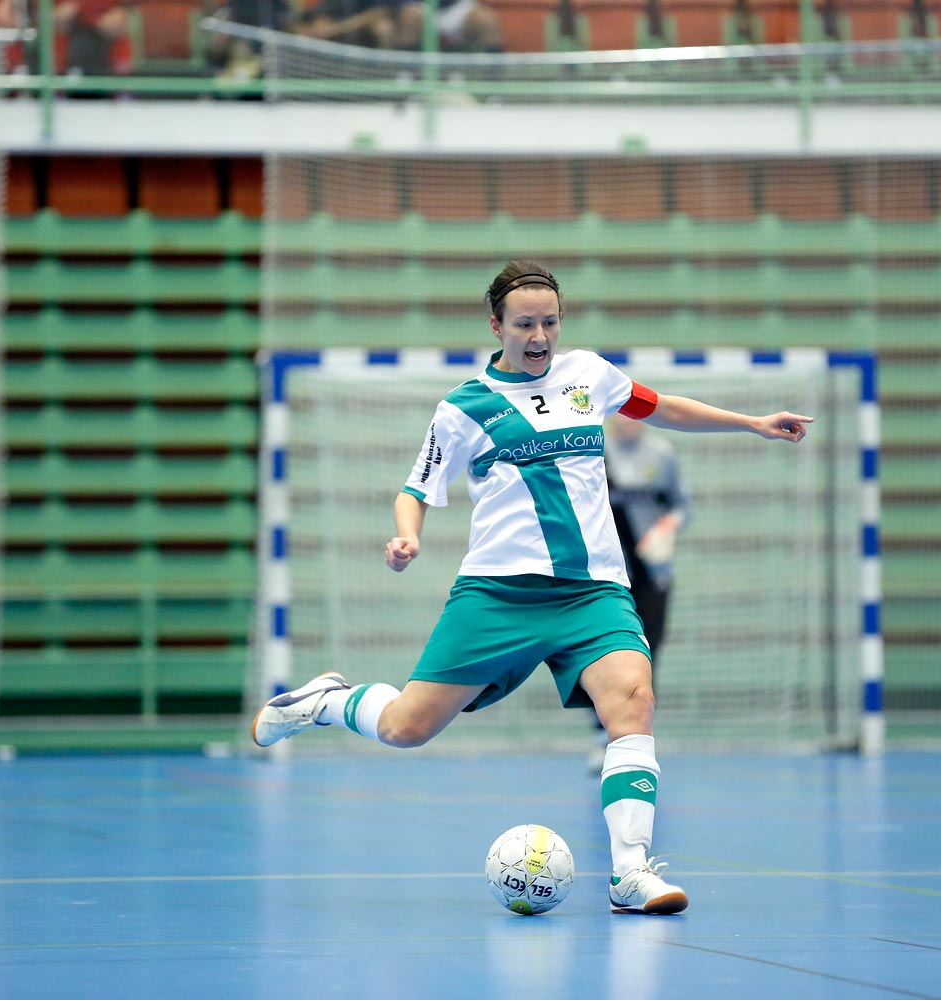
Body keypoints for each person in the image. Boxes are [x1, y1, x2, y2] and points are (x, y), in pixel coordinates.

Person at [251, 259, 814, 916]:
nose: (540, 334)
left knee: (633, 699)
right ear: (496, 326)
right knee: (407, 727)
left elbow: (662, 408)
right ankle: (326, 701)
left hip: (592, 592)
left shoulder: (589, 378)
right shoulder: (464, 408)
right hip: (499, 595)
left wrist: (750, 423)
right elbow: (416, 489)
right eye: (525, 323)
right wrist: (408, 536)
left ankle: (630, 873)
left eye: (550, 321)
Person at [588, 413, 689, 768]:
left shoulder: (662, 454)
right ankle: (603, 736)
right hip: (606, 575)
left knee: (647, 653)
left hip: (652, 572)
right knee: (600, 654)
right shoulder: (592, 451)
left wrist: (667, 528)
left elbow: (682, 507)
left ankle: (635, 739)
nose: (626, 421)